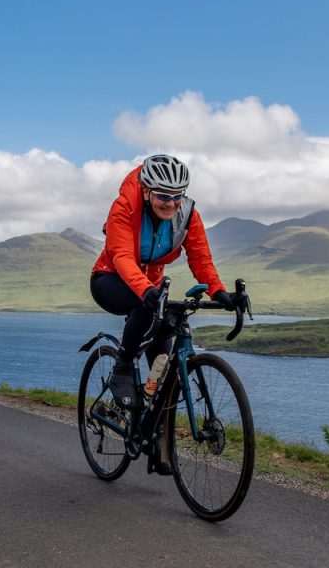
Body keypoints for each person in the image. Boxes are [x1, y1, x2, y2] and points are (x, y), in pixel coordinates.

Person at [90, 154, 235, 411]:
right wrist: (146, 289)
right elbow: (121, 256)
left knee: (164, 364)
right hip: (110, 279)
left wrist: (218, 290)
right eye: (163, 196)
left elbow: (200, 258)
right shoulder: (124, 207)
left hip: (149, 287)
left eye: (177, 196)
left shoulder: (188, 215)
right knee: (144, 305)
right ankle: (122, 367)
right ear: (146, 191)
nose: (171, 203)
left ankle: (154, 430)